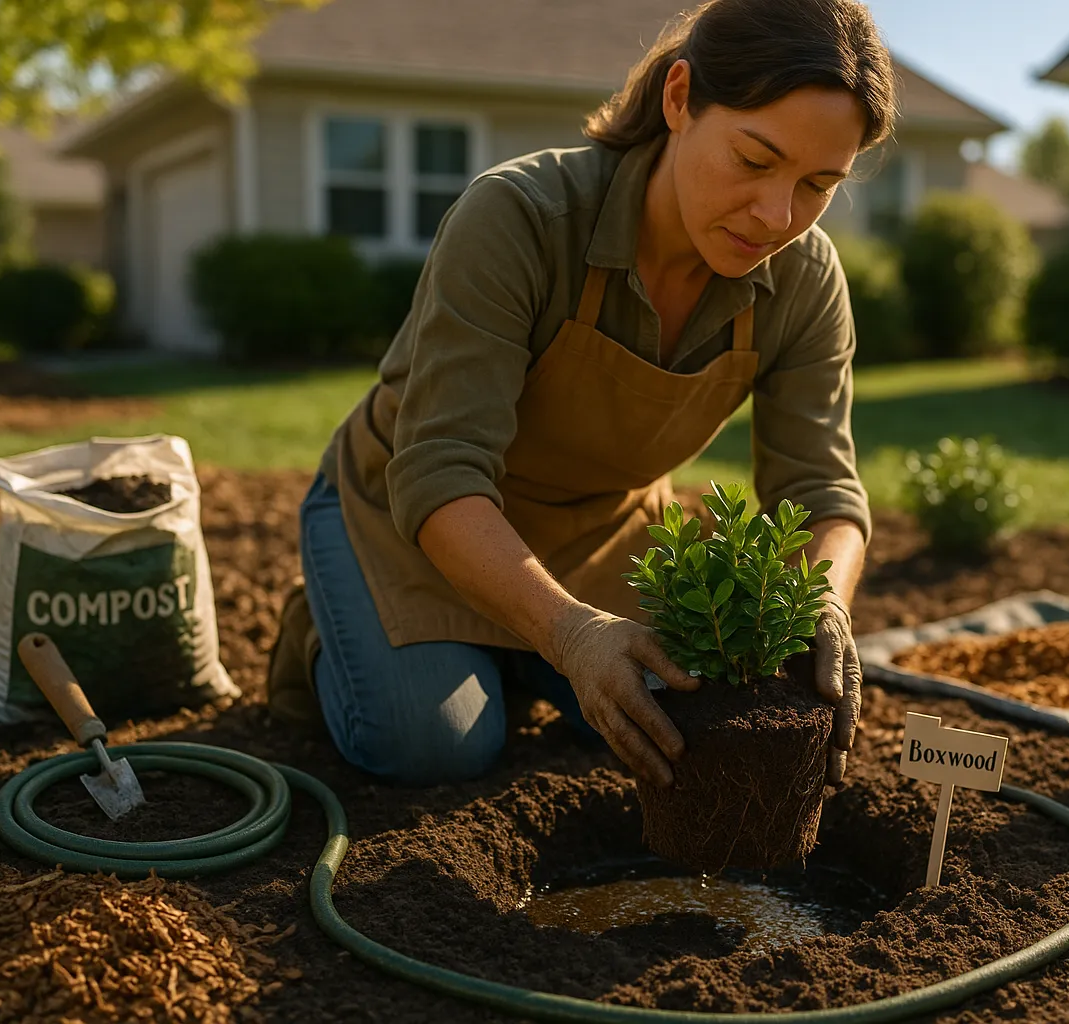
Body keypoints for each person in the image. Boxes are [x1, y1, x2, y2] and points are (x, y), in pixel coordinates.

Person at [266, 0, 896, 790]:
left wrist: (823, 603)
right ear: (679, 99)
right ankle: (337, 624)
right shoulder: (522, 217)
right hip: (411, 519)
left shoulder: (804, 280)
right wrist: (570, 638)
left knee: (705, 721)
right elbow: (441, 475)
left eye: (818, 184)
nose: (778, 215)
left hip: (601, 530)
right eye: (754, 160)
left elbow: (821, 487)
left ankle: (505, 656)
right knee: (437, 744)